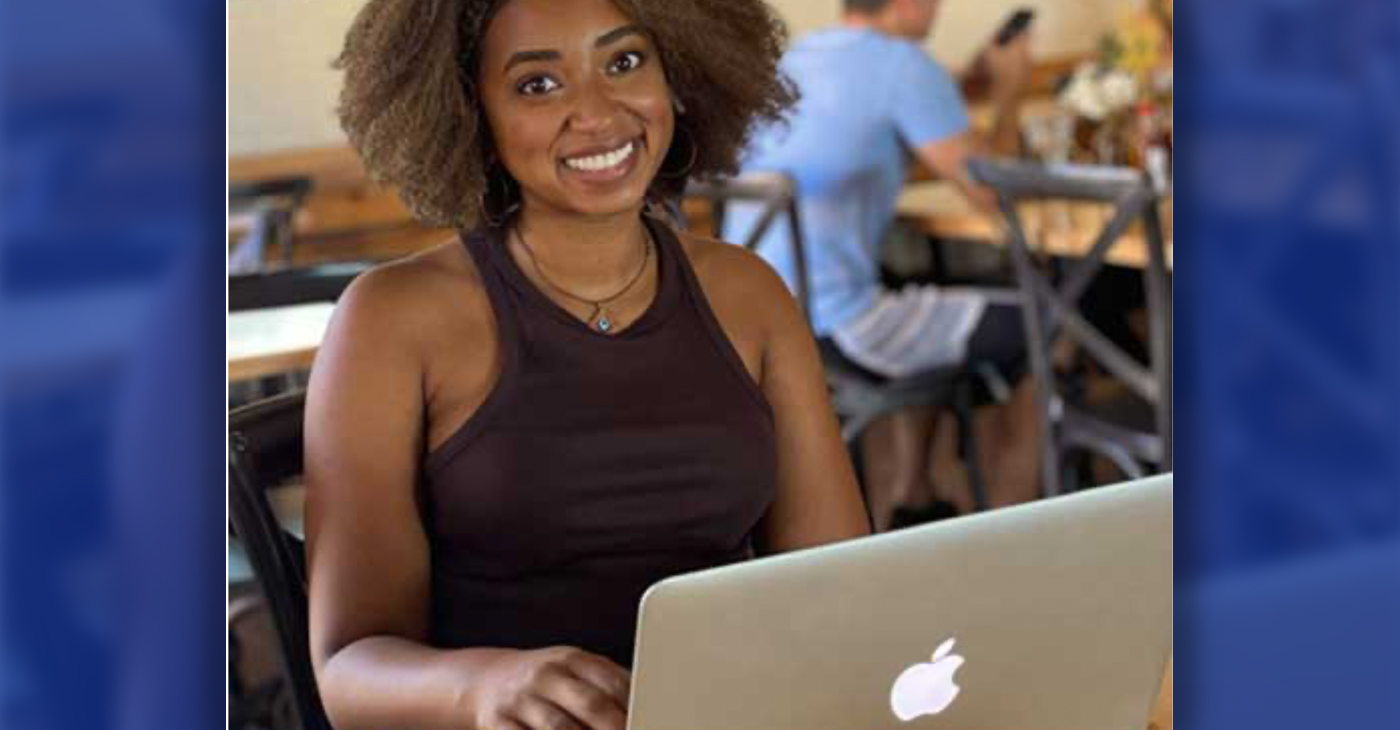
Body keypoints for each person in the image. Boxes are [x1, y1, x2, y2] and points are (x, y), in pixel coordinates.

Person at [305, 0, 870, 729]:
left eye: (626, 62)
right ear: (469, 111)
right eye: (538, 85)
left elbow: (842, 587)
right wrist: (483, 687)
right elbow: (348, 670)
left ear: (681, 74)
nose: (598, 113)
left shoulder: (749, 294)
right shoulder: (392, 318)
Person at [722, 0, 1042, 531]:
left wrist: (962, 86)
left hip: (766, 323)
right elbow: (993, 191)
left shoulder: (799, 59)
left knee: (927, 288)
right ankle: (1020, 533)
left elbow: (873, 130)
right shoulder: (902, 65)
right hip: (842, 327)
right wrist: (1009, 90)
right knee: (1044, 323)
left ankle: (912, 497)